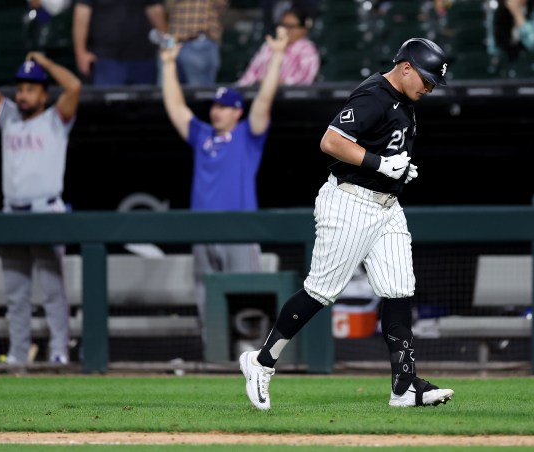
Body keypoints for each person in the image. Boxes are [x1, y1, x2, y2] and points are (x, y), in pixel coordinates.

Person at [239, 37, 455, 410]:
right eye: (426, 78)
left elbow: (387, 146)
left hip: (387, 206)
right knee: (321, 291)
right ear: (406, 67)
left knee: (399, 289)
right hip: (351, 202)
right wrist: (378, 164)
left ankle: (404, 386)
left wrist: (398, 172)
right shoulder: (375, 94)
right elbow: (332, 141)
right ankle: (261, 362)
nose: (430, 86)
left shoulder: (404, 99)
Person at [0, 16, 82, 364]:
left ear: (42, 93)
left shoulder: (56, 118)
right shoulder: (8, 116)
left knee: (54, 292)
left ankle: (58, 354)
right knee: (16, 294)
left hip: (45, 210)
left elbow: (75, 88)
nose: (22, 94)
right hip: (13, 212)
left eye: (30, 88)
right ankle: (20, 356)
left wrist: (47, 63)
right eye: (20, 88)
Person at [160, 26, 289, 346]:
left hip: (239, 229)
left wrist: (276, 57)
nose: (216, 111)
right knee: (206, 300)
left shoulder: (247, 134)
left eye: (224, 107)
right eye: (215, 106)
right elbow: (176, 107)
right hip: (204, 229)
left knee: (246, 301)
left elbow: (264, 100)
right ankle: (213, 357)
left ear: (236, 111)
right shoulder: (203, 135)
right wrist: (168, 64)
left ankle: (252, 360)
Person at [72, 0, 167, 85]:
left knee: (145, 101)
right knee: (106, 102)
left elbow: (155, 10)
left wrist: (166, 43)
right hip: (104, 57)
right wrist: (81, 52)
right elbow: (82, 14)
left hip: (142, 56)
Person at [237, 7, 320, 86]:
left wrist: (277, 83)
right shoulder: (269, 46)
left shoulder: (307, 49)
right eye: (283, 25)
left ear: (303, 29)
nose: (286, 30)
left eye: (291, 26)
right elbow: (250, 75)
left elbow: (305, 80)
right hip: (259, 93)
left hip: (289, 99)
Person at [165, 0, 229, 86]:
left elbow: (222, 5)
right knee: (169, 90)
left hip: (197, 42)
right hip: (175, 42)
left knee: (200, 92)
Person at [486, 0, 534, 72]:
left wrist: (517, 13)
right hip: (507, 67)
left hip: (533, 68)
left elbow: (533, 43)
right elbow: (493, 47)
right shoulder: (499, 11)